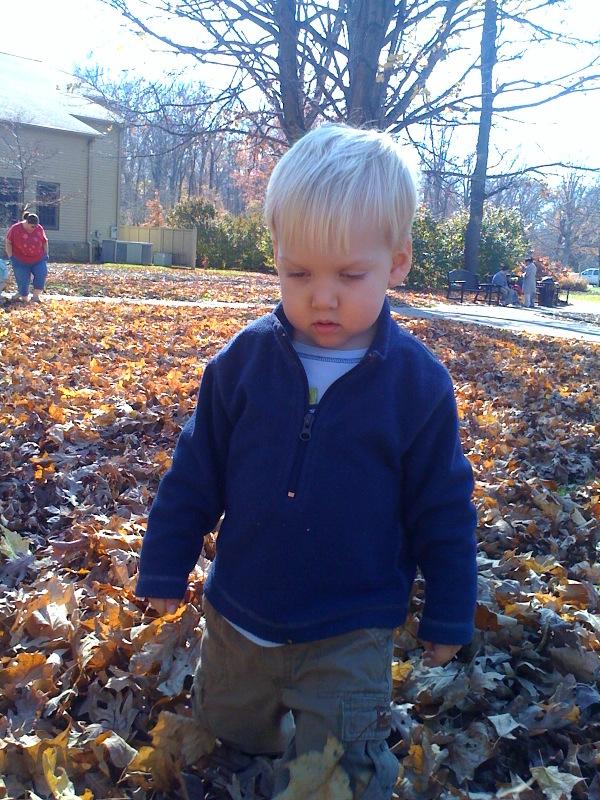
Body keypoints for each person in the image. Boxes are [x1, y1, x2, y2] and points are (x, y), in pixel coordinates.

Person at [135, 124, 478, 800]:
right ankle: (249, 731)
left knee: (343, 776)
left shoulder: (416, 386)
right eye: (299, 274)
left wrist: (448, 610)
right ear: (277, 259)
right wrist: (166, 562)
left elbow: (443, 509)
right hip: (241, 610)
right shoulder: (242, 364)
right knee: (229, 735)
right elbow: (195, 472)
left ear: (397, 263)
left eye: (349, 275)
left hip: (351, 629)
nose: (323, 296)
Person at [4, 212, 49, 303]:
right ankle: (23, 297)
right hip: (20, 260)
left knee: (41, 274)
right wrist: (11, 256)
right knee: (23, 280)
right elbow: (8, 242)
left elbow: (45, 241)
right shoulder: (15, 228)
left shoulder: (39, 228)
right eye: (32, 226)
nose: (34, 228)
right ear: (26, 222)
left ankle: (36, 296)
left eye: (36, 226)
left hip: (38, 258)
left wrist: (46, 254)